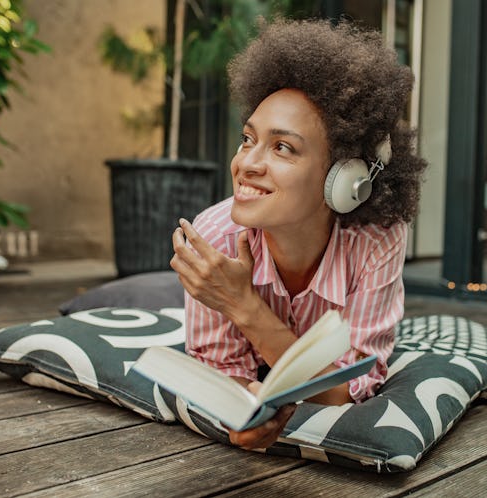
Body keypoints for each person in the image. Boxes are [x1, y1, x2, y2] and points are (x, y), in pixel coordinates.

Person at [170, 18, 427, 450]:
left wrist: (241, 303)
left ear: (344, 179)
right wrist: (242, 414)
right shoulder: (213, 235)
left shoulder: (377, 239)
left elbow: (348, 390)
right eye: (247, 139)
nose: (246, 163)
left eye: (282, 147)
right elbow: (225, 375)